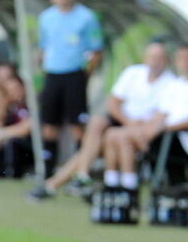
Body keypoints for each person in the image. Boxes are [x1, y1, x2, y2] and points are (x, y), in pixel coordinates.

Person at [29, 40, 175, 200]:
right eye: (152, 56)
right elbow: (113, 103)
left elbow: (159, 119)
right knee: (97, 123)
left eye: (159, 57)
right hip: (124, 122)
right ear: (145, 57)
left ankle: (59, 184)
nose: (155, 61)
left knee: (103, 140)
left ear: (166, 60)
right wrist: (128, 122)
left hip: (141, 131)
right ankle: (81, 175)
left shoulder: (171, 83)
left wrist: (133, 128)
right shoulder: (134, 73)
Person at [101, 44, 188, 193]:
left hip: (180, 140)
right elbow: (161, 114)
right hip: (163, 135)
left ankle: (128, 186)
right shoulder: (177, 84)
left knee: (122, 137)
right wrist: (145, 130)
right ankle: (115, 183)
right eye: (181, 59)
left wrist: (162, 128)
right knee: (113, 134)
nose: (185, 63)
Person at [37, 0, 104, 176]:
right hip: (52, 75)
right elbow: (43, 48)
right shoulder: (46, 17)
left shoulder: (87, 17)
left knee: (77, 126)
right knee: (49, 125)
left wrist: (85, 75)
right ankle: (48, 173)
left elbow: (96, 51)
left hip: (75, 75)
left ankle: (80, 172)